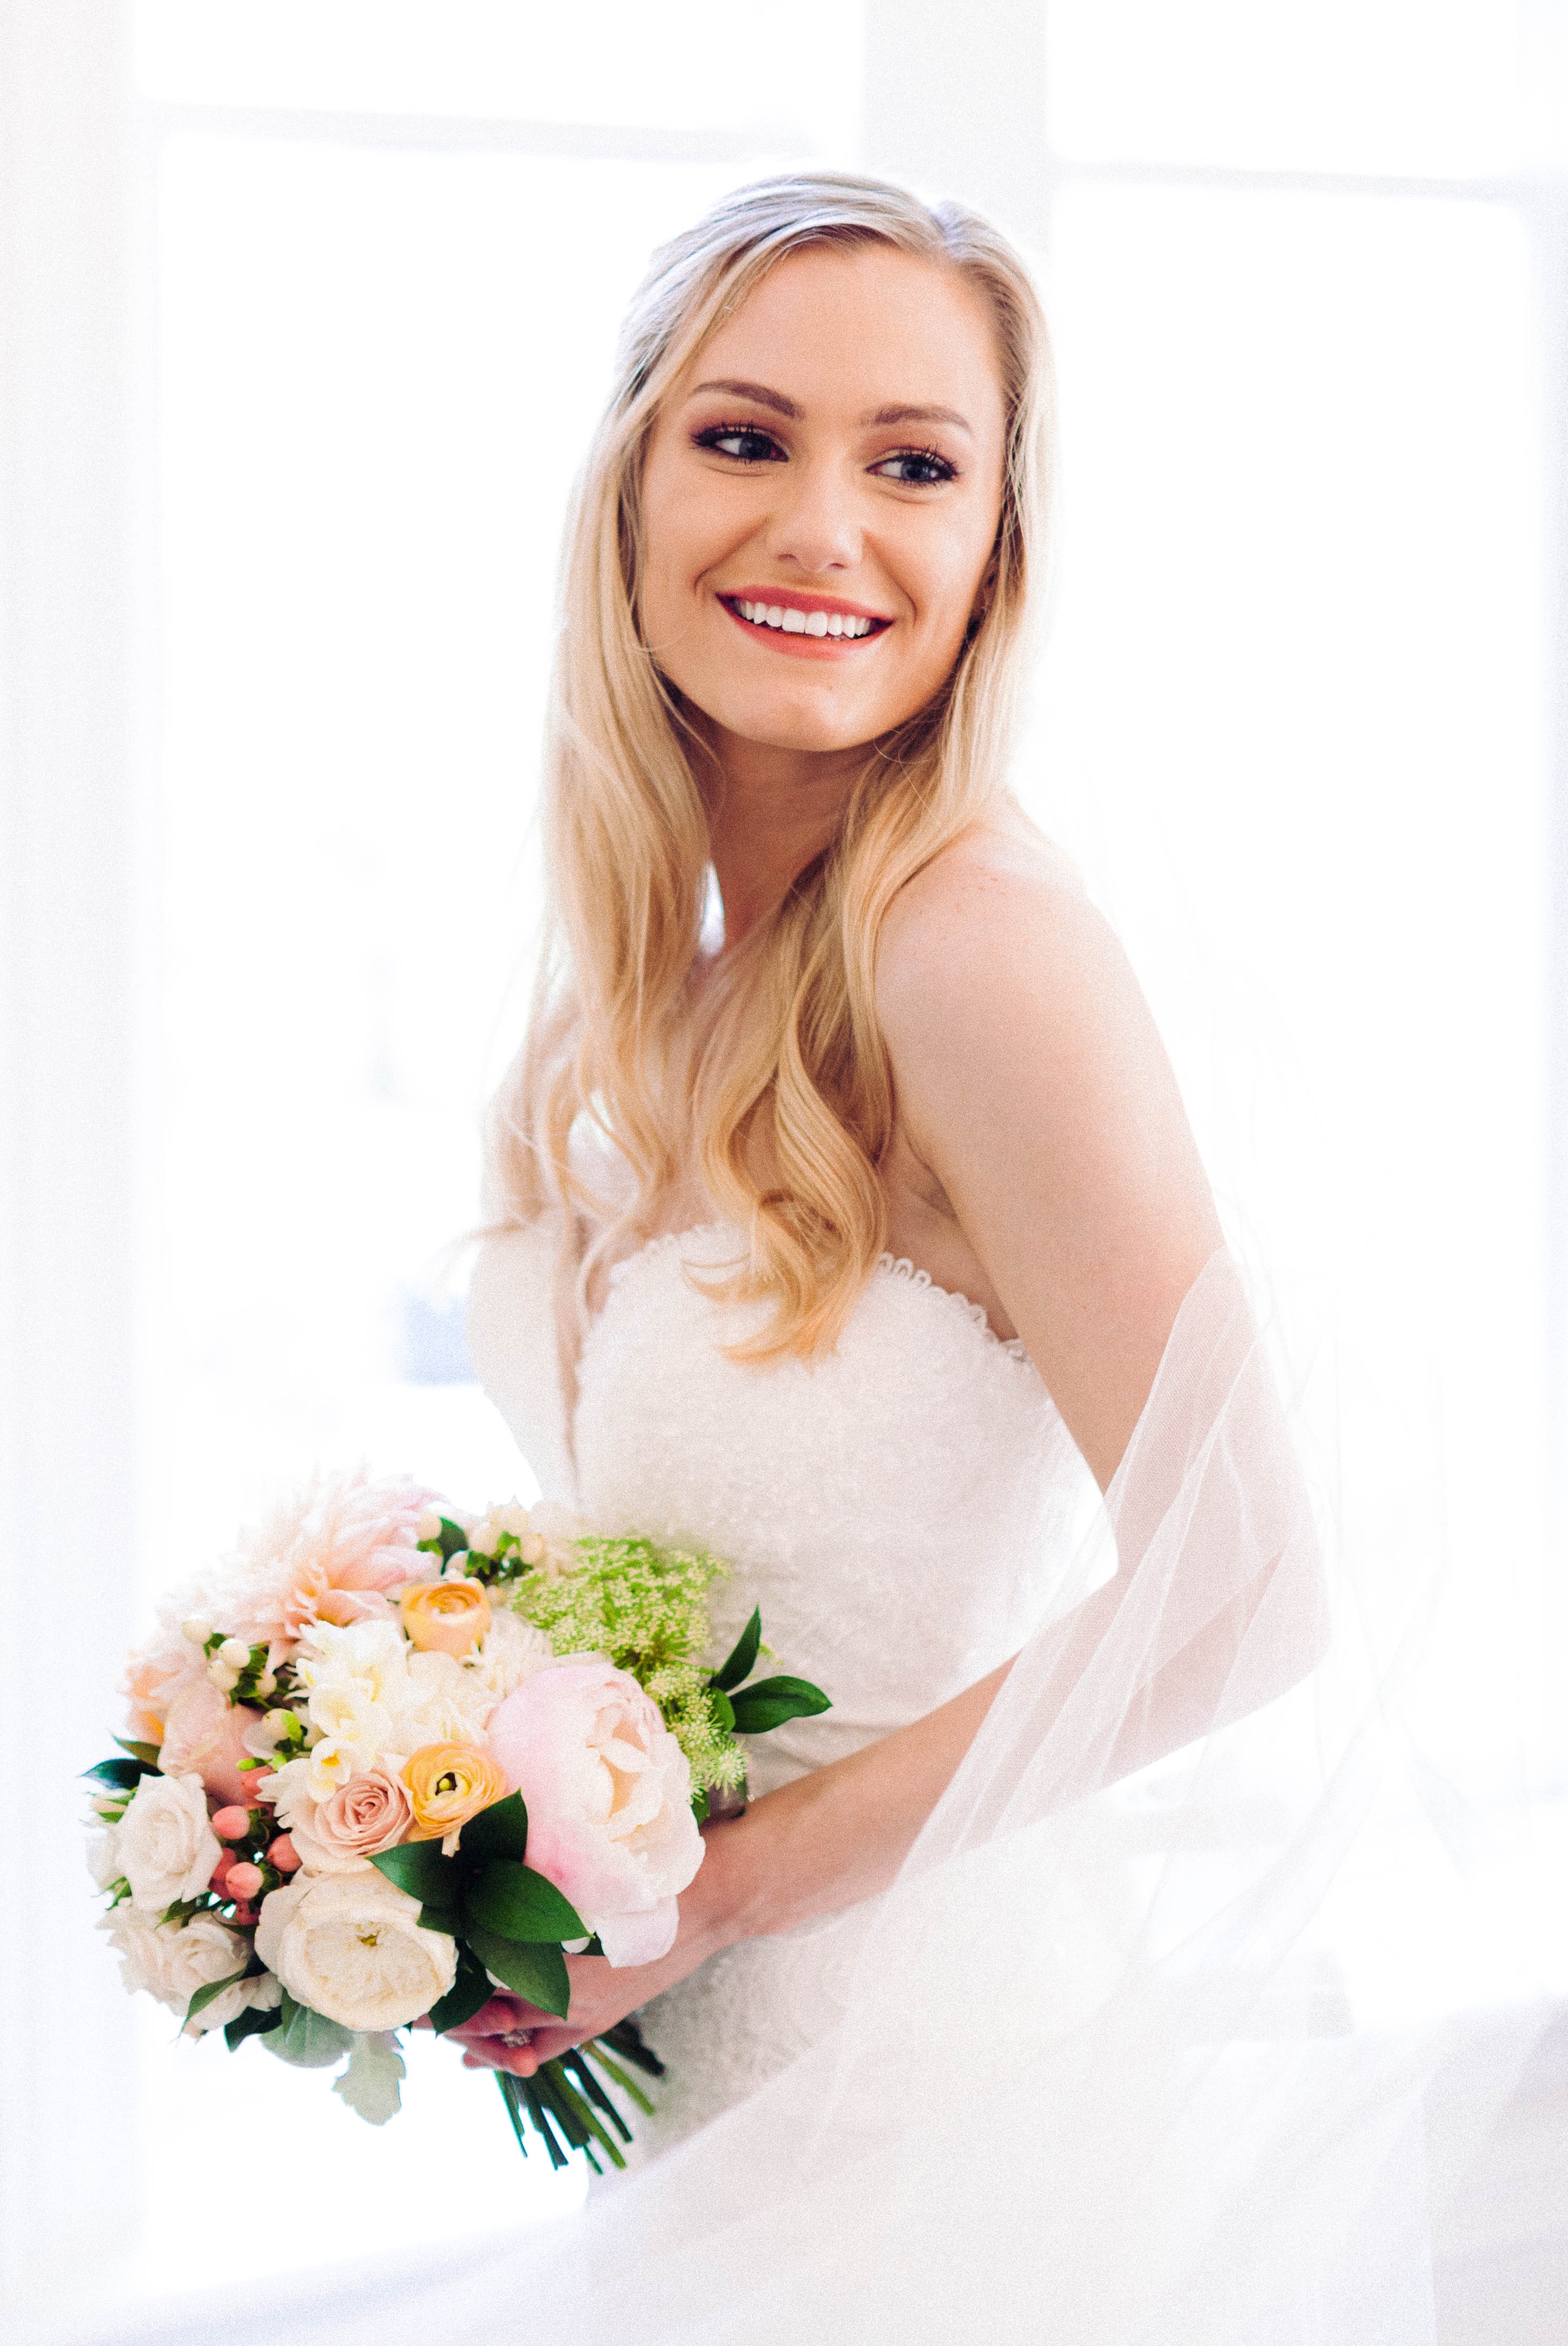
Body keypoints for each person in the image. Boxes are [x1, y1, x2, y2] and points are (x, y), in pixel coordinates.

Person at [456, 172, 1316, 2172]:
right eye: (742, 438)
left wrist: (723, 1892)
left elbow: (1253, 1584)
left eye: (913, 463)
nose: (822, 526)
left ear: (993, 545)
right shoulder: (636, 1005)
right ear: (629, 493)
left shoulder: (977, 946)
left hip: (937, 2120)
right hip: (710, 2118)